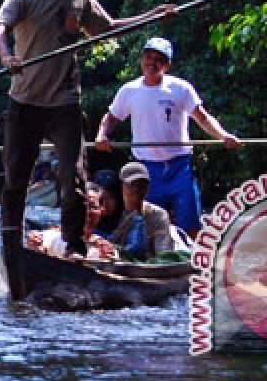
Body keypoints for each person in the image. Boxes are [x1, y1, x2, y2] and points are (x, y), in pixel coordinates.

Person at [0, 0, 174, 298]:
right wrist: (7, 55)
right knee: (15, 179)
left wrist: (152, 15)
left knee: (74, 177)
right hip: (24, 101)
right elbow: (0, 26)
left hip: (64, 103)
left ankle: (74, 248)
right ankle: (12, 247)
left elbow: (108, 29)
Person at [94, 36, 242, 234]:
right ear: (141, 60)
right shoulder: (129, 91)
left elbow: (203, 118)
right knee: (147, 226)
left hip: (179, 166)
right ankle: (149, 261)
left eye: (158, 59)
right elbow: (111, 118)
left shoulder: (180, 88)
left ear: (167, 65)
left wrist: (224, 136)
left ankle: (191, 261)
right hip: (146, 171)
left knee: (190, 222)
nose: (152, 63)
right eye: (148, 57)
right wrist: (101, 135)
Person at [109, 161, 175, 261]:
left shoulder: (158, 215)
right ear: (122, 186)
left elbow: (163, 253)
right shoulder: (111, 212)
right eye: (132, 184)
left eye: (142, 184)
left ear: (148, 188)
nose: (137, 188)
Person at [89, 168, 123, 239]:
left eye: (110, 198)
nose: (105, 204)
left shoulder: (127, 222)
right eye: (101, 199)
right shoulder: (85, 222)